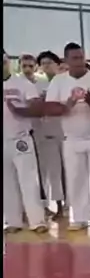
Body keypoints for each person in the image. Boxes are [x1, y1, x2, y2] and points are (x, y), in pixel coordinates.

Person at [44, 42, 90, 231]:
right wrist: (70, 102)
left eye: (81, 57)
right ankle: (79, 217)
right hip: (71, 138)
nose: (79, 61)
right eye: (74, 58)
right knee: (76, 179)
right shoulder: (58, 81)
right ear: (66, 60)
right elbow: (50, 108)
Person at [3, 51, 47, 233]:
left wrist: (19, 111)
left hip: (20, 138)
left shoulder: (23, 84)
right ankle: (13, 221)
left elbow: (38, 109)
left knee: (28, 181)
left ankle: (37, 221)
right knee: (7, 183)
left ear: (8, 62)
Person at [36, 51, 65, 217]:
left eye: (49, 62)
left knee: (71, 169)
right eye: (43, 63)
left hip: (66, 129)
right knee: (53, 170)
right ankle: (58, 205)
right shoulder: (37, 84)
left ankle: (73, 205)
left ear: (57, 65)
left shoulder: (65, 81)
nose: (46, 66)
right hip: (46, 131)